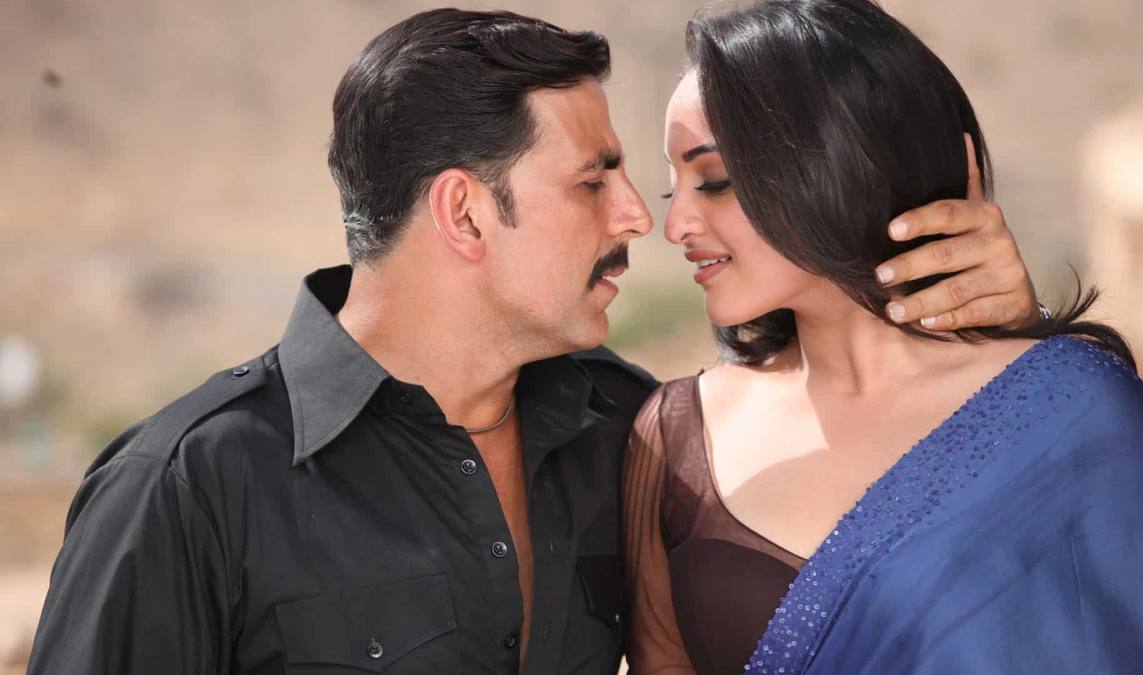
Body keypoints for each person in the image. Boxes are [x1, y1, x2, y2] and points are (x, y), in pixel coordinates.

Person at [29, 8, 1041, 675]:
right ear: (465, 213)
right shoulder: (187, 487)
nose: (638, 218)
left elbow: (879, 509)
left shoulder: (626, 431)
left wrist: (991, 331)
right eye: (594, 181)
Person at [622, 1, 1143, 673]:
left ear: (835, 162)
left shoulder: (1075, 413)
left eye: (714, 181)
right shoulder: (676, 438)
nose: (676, 226)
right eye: (672, 190)